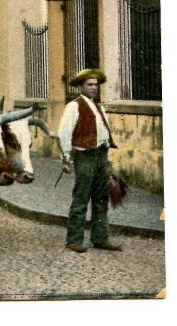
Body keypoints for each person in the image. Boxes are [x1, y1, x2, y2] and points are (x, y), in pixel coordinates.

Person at [58, 68, 122, 253]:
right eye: (90, 85)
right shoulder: (74, 106)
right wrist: (66, 158)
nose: (94, 88)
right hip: (84, 156)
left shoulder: (99, 107)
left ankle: (100, 238)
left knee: (101, 198)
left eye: (96, 85)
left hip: (101, 155)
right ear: (81, 86)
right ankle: (74, 239)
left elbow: (103, 132)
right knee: (81, 197)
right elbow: (64, 133)